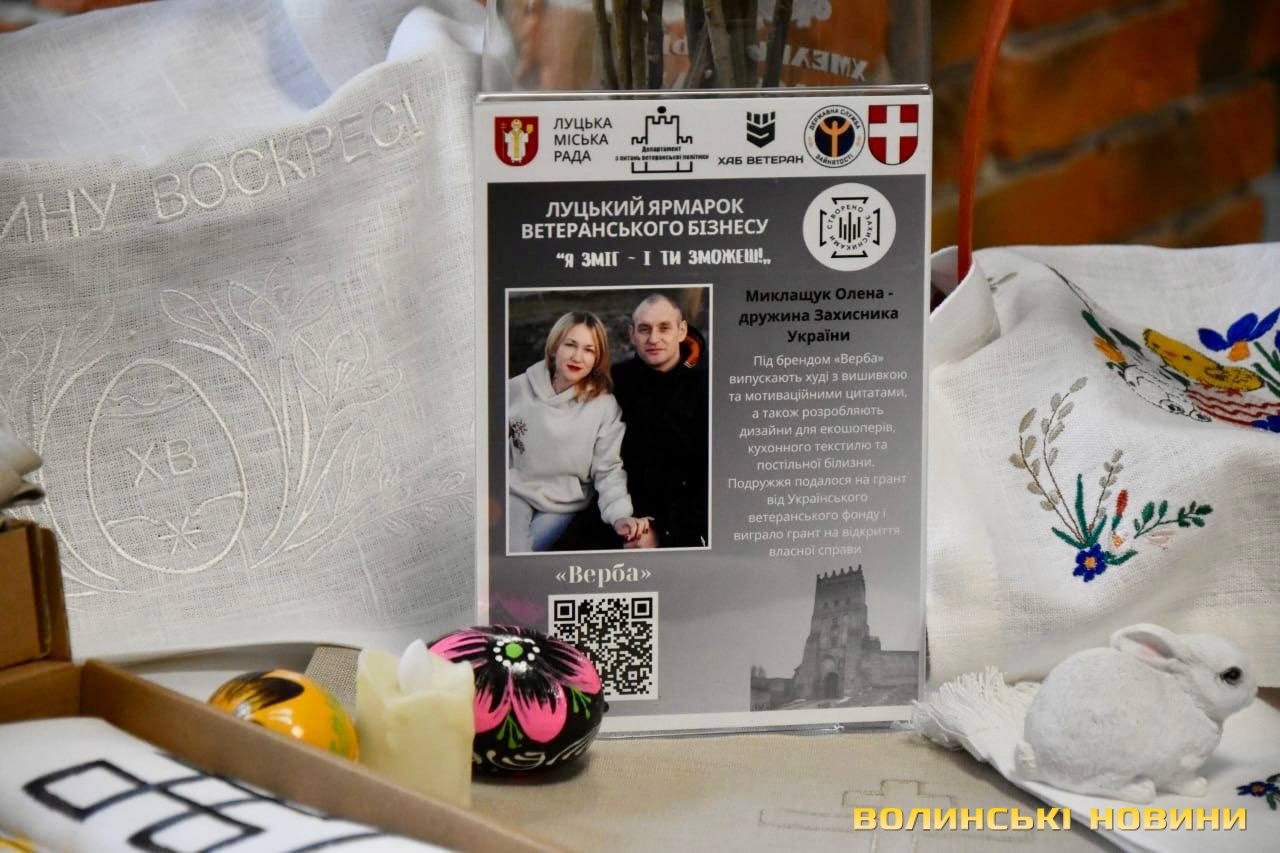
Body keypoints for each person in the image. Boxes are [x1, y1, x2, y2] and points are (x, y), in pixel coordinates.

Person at [507, 311, 649, 552]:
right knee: (509, 547)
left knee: (527, 553)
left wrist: (620, 515)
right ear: (554, 348)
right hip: (516, 492)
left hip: (564, 503)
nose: (577, 357)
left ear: (597, 358)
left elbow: (608, 469)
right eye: (570, 345)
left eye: (589, 350)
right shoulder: (515, 388)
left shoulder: (604, 406)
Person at [611, 293, 709, 548]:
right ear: (632, 334)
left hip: (680, 525)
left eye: (664, 328)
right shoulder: (614, 382)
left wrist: (663, 533)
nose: (653, 338)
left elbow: (712, 479)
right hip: (616, 513)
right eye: (644, 329)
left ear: (681, 331)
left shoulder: (707, 386)